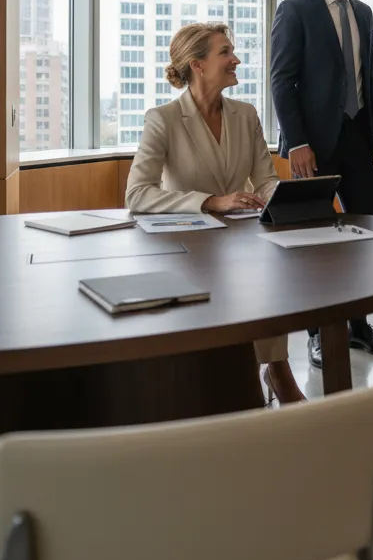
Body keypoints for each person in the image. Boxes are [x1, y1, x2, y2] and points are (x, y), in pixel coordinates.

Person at [125, 22, 305, 404]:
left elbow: (265, 180)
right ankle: (238, 381)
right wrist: (209, 201)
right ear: (198, 65)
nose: (236, 59)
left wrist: (287, 199)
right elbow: (137, 194)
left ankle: (276, 369)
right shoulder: (163, 119)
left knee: (268, 278)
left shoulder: (246, 114)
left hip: (240, 241)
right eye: (225, 52)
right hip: (185, 247)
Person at [270, 0, 373, 370]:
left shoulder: (362, 12)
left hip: (359, 140)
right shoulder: (296, 10)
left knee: (364, 237)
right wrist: (298, 143)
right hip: (313, 146)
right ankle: (317, 334)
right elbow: (282, 82)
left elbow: (370, 78)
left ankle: (359, 326)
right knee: (316, 245)